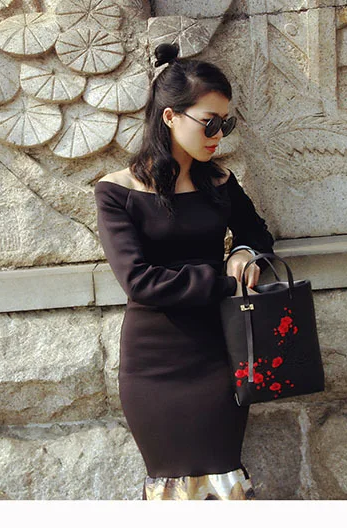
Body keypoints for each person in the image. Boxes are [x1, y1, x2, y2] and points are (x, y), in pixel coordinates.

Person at [93, 42, 275, 500]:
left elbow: (258, 234)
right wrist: (224, 280)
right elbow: (139, 281)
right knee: (173, 491)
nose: (219, 134)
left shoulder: (219, 181)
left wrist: (244, 252)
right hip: (154, 365)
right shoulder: (116, 192)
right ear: (171, 117)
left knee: (223, 479)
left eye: (225, 123)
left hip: (220, 354)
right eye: (210, 122)